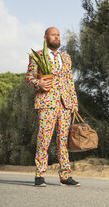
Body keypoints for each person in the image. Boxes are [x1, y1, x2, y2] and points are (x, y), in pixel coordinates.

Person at [26, 26, 80, 187]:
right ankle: (40, 175)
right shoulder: (37, 56)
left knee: (63, 142)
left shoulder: (66, 57)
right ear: (45, 38)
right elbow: (29, 77)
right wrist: (38, 83)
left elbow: (69, 81)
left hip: (65, 105)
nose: (56, 37)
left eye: (58, 35)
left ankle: (65, 176)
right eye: (53, 35)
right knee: (44, 139)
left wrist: (74, 103)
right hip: (47, 103)